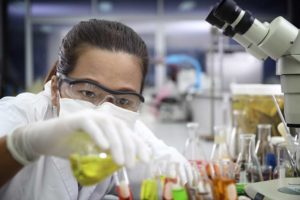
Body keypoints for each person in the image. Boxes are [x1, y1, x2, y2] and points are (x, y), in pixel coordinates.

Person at [0, 19, 191, 199]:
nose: (105, 113)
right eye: (88, 93)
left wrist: (182, 183)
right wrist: (23, 146)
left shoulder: (126, 128)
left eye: (123, 100)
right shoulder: (17, 113)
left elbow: (177, 184)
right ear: (56, 87)